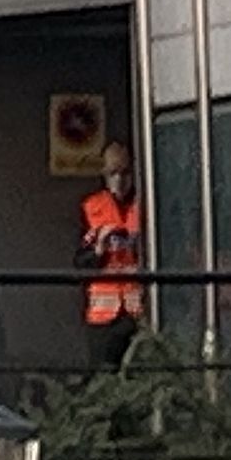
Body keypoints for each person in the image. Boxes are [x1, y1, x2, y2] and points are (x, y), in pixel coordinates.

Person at [75, 141, 142, 365]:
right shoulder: (91, 208)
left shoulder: (144, 207)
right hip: (103, 317)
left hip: (136, 311)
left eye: (125, 172)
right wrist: (99, 250)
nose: (120, 180)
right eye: (113, 173)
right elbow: (80, 265)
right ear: (104, 175)